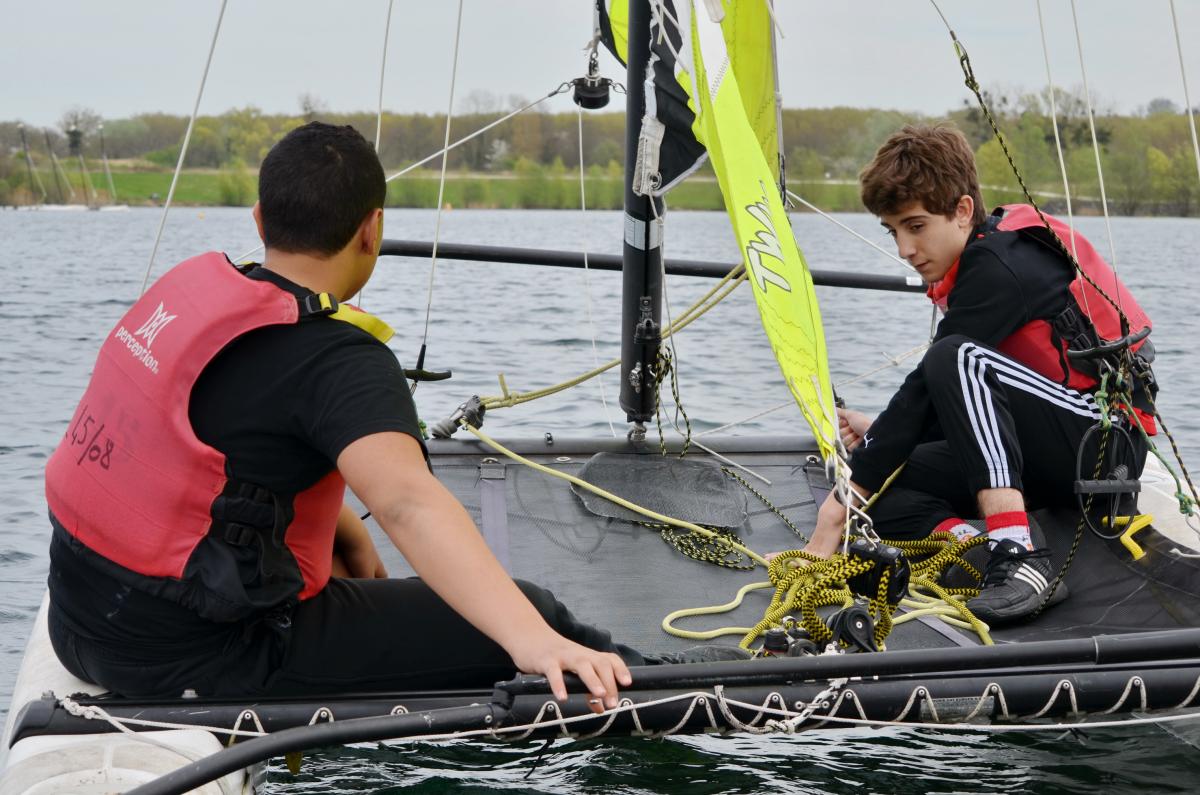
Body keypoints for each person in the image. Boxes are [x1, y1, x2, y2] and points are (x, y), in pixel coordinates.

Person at [44, 122, 743, 710]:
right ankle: (684, 691)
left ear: (259, 220)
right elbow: (408, 504)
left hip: (80, 619)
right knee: (532, 612)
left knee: (361, 570)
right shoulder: (338, 357)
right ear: (371, 231)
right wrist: (533, 641)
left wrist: (343, 528)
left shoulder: (194, 299)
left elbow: (223, 451)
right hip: (196, 654)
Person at [803, 124, 1155, 624]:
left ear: (963, 211)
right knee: (882, 490)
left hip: (1101, 447)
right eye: (893, 231)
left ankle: (1019, 555)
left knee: (954, 358)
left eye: (916, 226)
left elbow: (934, 380)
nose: (905, 248)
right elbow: (961, 402)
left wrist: (835, 512)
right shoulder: (974, 262)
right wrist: (873, 444)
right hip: (1048, 441)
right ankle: (974, 549)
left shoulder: (1000, 267)